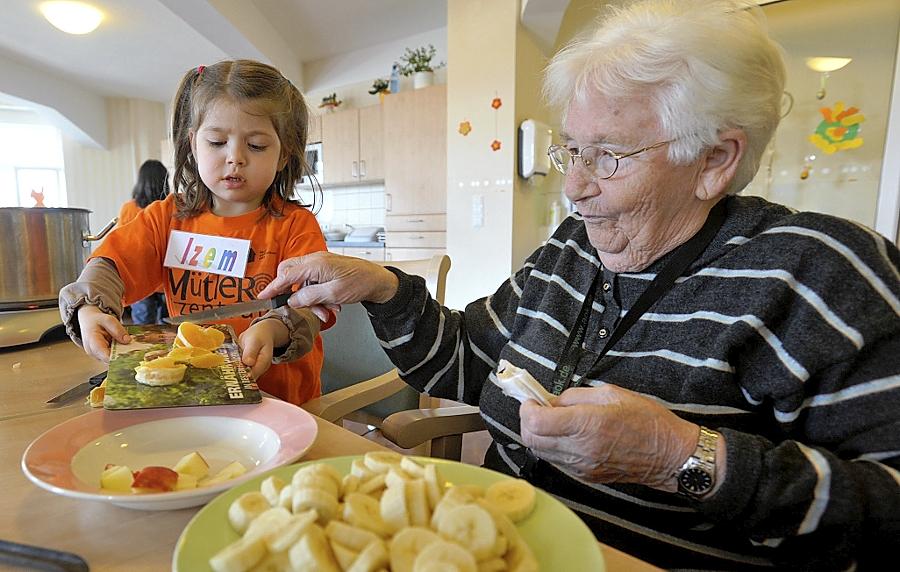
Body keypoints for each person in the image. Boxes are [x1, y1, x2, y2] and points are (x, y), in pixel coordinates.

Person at [256, 1, 900, 569]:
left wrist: (681, 459)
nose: (573, 184)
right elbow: (468, 362)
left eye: (608, 156)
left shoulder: (823, 274)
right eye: (573, 151)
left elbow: (885, 510)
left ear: (715, 160)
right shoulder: (572, 249)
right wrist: (380, 286)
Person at [59, 59, 329, 406]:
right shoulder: (166, 219)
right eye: (217, 142)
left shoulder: (295, 226)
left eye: (257, 145)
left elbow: (312, 306)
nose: (235, 158)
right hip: (194, 398)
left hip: (281, 405)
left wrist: (275, 327)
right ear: (194, 144)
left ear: (283, 156)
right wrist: (90, 308)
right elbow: (110, 265)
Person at [118, 159, 170, 325]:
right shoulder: (171, 208)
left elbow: (123, 243)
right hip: (167, 275)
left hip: (140, 274)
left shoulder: (129, 208)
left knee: (143, 325)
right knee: (169, 325)